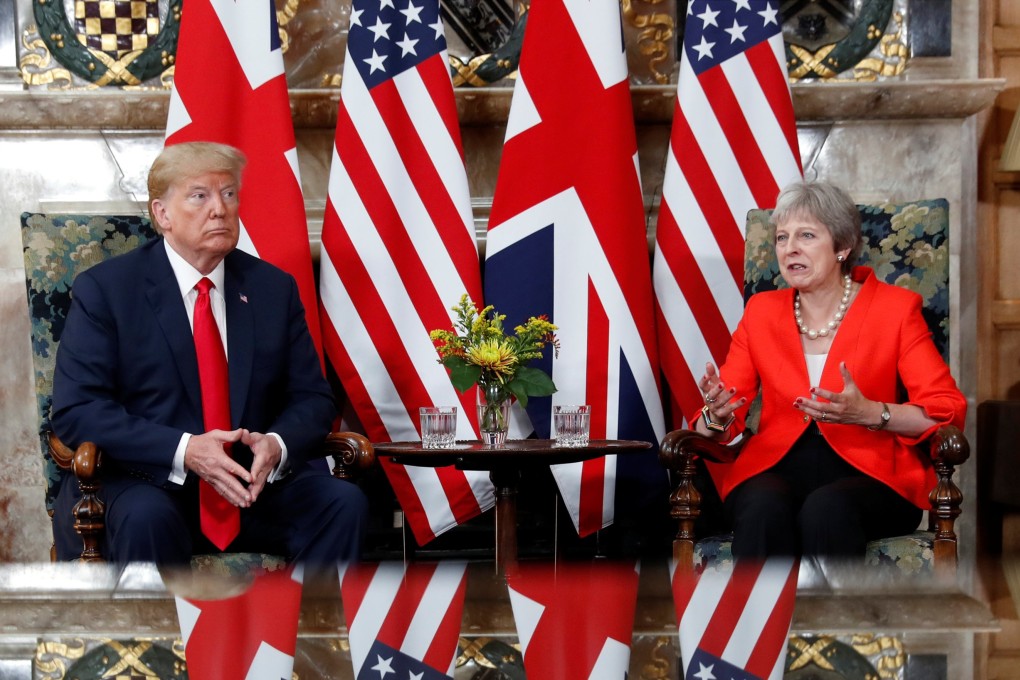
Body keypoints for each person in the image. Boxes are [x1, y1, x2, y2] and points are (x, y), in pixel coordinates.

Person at [51, 141, 368, 565]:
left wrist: (276, 444)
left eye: (228, 193)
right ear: (162, 214)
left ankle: (311, 613)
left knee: (341, 505)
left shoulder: (272, 289)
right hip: (148, 481)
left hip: (251, 487)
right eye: (200, 196)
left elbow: (312, 398)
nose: (219, 209)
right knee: (147, 518)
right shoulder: (107, 290)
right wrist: (185, 450)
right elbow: (78, 410)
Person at [694, 181, 966, 558]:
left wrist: (871, 413)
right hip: (777, 465)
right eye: (782, 237)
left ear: (842, 246)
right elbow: (721, 418)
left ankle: (832, 602)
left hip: (873, 473)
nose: (790, 248)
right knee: (761, 509)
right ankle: (760, 601)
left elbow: (946, 410)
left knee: (826, 511)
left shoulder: (896, 309)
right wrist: (716, 415)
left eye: (806, 235)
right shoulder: (761, 312)